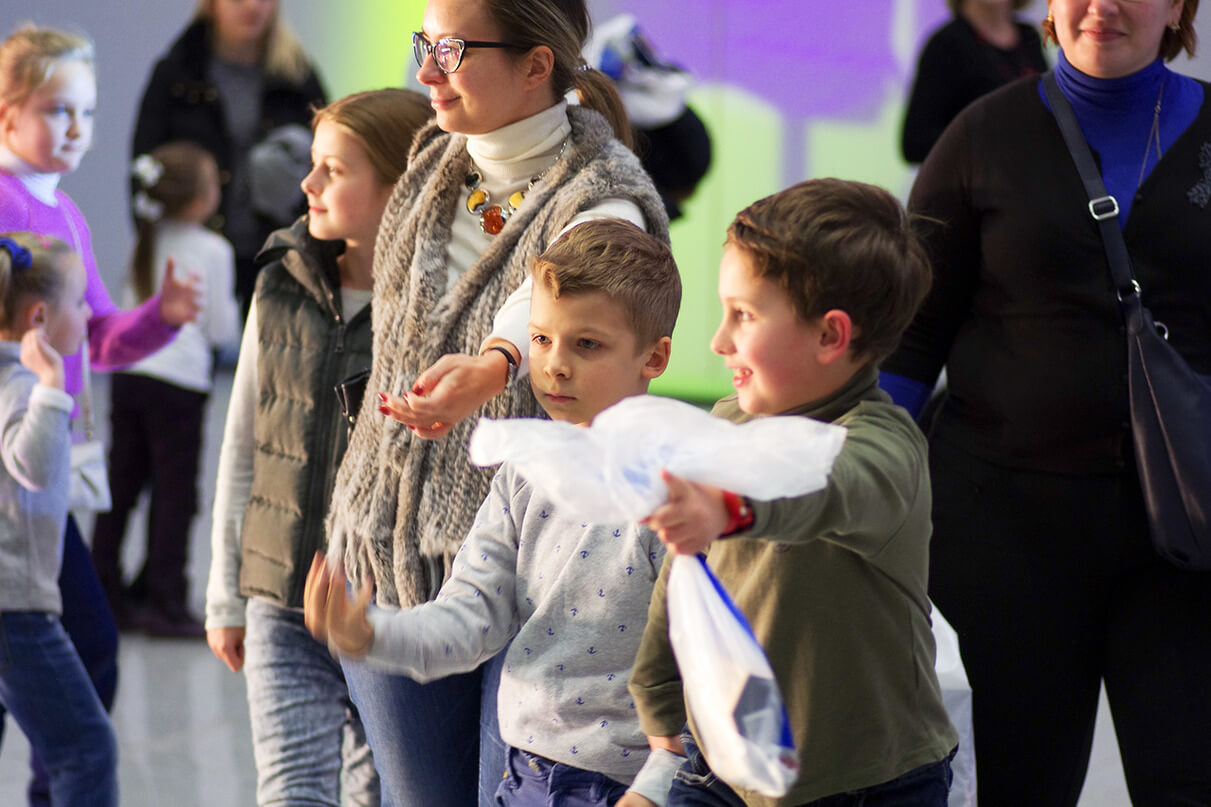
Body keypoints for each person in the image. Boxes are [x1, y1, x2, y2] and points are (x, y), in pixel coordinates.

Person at [323, 1, 669, 804]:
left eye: (450, 50)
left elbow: (565, 273)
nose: (425, 70)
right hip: (384, 548)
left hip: (529, 568)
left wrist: (496, 362)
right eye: (424, 45)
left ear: (536, 65)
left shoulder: (604, 193)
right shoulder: (431, 161)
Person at [880, 1, 1211, 804]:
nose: (1101, 5)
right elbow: (912, 335)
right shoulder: (981, 134)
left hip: (1185, 534)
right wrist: (855, 478)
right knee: (1019, 783)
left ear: (1177, 6)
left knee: (1186, 778)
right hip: (1004, 529)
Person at [305, 219, 684, 807]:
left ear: (653, 357)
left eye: (587, 344)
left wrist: (658, 788)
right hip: (524, 776)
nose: (554, 365)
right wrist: (372, 634)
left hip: (631, 788)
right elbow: (469, 618)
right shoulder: (522, 473)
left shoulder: (679, 493)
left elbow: (709, 664)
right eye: (541, 339)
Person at [628, 179, 958, 807]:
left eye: (744, 315)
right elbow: (686, 572)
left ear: (831, 336)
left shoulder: (885, 448)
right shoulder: (727, 423)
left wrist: (729, 509)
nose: (719, 341)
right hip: (722, 766)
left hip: (869, 785)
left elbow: (825, 487)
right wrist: (656, 687)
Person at [204, 88, 433, 807]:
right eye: (313, 164)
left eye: (333, 169)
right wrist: (225, 594)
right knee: (292, 793)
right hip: (279, 595)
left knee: (379, 796)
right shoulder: (279, 282)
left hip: (388, 606)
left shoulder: (440, 312)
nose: (308, 184)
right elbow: (243, 445)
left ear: (400, 187)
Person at [0, 25, 199, 806]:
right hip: (16, 461)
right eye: (58, 110)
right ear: (8, 113)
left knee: (71, 648)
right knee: (83, 645)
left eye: (86, 112)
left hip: (46, 463)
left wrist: (162, 317)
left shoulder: (68, 214)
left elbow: (100, 337)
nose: (78, 129)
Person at [90, 141, 239, 638]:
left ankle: (103, 589)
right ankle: (165, 599)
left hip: (129, 376)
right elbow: (220, 329)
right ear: (199, 199)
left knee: (122, 484)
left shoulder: (146, 240)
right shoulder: (214, 250)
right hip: (179, 385)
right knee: (176, 495)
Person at [0, 233, 116, 807]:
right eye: (78, 302)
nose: (88, 313)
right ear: (39, 318)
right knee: (86, 751)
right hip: (15, 610)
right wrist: (50, 386)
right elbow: (35, 468)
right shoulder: (22, 388)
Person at [132, 0, 326, 315]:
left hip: (278, 251)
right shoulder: (177, 74)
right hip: (193, 252)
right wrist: (153, 247)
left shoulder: (297, 76)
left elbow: (330, 160)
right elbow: (143, 169)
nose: (252, 6)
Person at [900, 0, 1047, 164]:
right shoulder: (947, 45)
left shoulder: (1028, 36)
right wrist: (988, 140)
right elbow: (916, 142)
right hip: (982, 175)